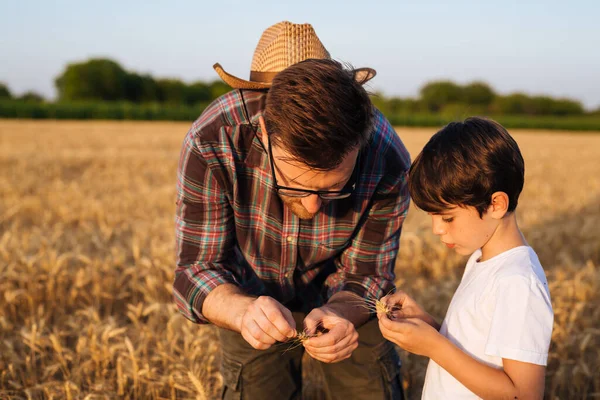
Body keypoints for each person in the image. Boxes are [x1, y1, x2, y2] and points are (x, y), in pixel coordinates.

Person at [173, 21, 411, 399]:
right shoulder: (212, 139)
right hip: (248, 291)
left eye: (336, 188)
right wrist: (242, 311)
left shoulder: (387, 158)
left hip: (347, 301)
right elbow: (196, 271)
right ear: (265, 131)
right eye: (298, 184)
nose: (315, 206)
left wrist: (342, 314)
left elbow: (368, 274)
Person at [377, 117, 554, 399]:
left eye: (447, 217)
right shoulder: (483, 260)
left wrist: (434, 346)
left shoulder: (518, 282)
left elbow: (523, 393)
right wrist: (427, 325)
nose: (436, 229)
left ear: (496, 204)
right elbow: (475, 349)